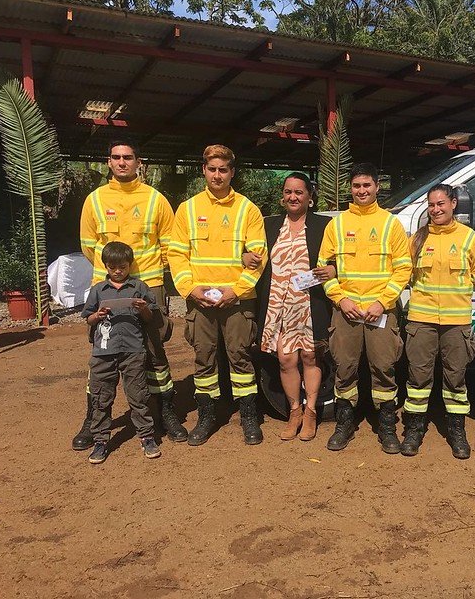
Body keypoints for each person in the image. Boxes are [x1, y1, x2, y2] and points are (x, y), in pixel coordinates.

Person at [76, 139, 186, 451]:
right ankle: (93, 419)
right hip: (106, 291)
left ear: (138, 162)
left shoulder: (155, 199)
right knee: (102, 354)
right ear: (108, 162)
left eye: (128, 157)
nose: (122, 162)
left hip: (148, 286)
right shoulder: (94, 200)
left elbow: (170, 245)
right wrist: (112, 280)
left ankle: (165, 412)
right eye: (116, 157)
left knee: (154, 352)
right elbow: (88, 246)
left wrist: (149, 278)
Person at [168, 144, 268, 446]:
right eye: (212, 169)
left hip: (236, 302)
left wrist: (234, 291)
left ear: (231, 172)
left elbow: (258, 255)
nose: (217, 175)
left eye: (223, 169)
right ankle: (206, 416)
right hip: (200, 300)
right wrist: (190, 289)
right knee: (204, 360)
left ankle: (249, 416)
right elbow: (177, 254)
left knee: (240, 358)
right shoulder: (188, 209)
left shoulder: (248, 209)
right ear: (204, 170)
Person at [318, 163, 413, 453]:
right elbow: (324, 268)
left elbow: (403, 268)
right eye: (357, 186)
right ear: (351, 188)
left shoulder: (390, 224)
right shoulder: (337, 224)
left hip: (380, 312)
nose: (362, 191)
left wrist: (382, 302)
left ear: (377, 187)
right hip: (345, 309)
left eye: (367, 186)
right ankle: (344, 423)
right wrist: (340, 299)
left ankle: (387, 427)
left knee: (383, 369)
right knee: (344, 369)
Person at [245, 173, 335, 441]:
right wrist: (244, 256)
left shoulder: (323, 225)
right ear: (282, 197)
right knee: (285, 359)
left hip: (309, 303)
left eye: (299, 192)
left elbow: (339, 258)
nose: (293, 197)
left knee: (310, 357)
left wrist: (333, 269)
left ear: (309, 196)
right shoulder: (269, 225)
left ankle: (310, 413)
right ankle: (294, 411)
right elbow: (250, 250)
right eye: (288, 192)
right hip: (277, 303)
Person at [401, 184, 475, 459]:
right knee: (417, 378)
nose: (435, 209)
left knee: (456, 379)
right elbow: (405, 275)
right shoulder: (417, 239)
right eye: (431, 205)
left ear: (453, 204)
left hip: (456, 321)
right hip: (421, 319)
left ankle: (457, 432)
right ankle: (414, 430)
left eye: (441, 204)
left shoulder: (470, 239)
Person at [81, 241, 162, 464]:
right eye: (113, 267)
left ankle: (146, 437)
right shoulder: (98, 290)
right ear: (106, 266)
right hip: (103, 352)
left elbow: (149, 319)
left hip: (133, 350)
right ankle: (100, 441)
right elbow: (88, 318)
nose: (118, 271)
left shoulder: (139, 287)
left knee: (138, 395)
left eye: (123, 267)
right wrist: (98, 315)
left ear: (130, 265)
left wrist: (143, 308)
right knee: (101, 396)